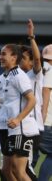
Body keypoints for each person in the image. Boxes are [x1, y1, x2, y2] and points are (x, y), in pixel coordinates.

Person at [0, 44, 39, 181]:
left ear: (14, 57)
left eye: (4, 54)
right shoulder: (8, 76)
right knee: (6, 170)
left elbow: (32, 100)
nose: (0, 57)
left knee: (18, 170)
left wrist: (18, 119)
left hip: (22, 129)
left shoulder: (18, 75)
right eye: (0, 54)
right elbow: (6, 101)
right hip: (13, 130)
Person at [19, 19, 43, 180]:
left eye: (22, 58)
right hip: (20, 126)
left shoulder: (34, 74)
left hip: (33, 125)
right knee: (14, 168)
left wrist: (31, 37)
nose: (20, 60)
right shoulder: (17, 76)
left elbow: (37, 59)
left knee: (26, 167)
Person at [38, 44, 52, 181]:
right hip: (47, 121)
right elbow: (46, 91)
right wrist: (43, 116)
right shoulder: (50, 70)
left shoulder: (40, 70)